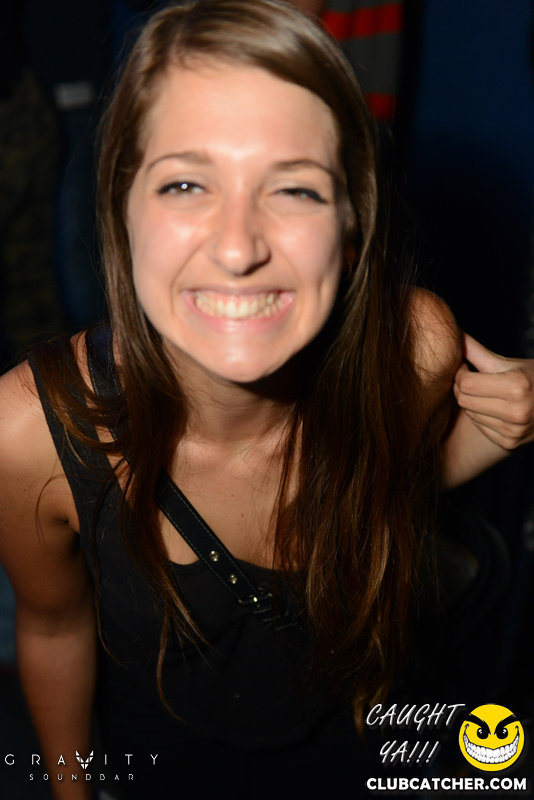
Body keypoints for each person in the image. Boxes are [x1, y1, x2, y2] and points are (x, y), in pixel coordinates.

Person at [0, 1, 533, 797]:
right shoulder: (31, 433)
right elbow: (51, 625)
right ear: (120, 208)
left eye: (294, 189)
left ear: (351, 224)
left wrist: (487, 438)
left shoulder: (415, 348)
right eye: (186, 183)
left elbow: (377, 498)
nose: (238, 247)